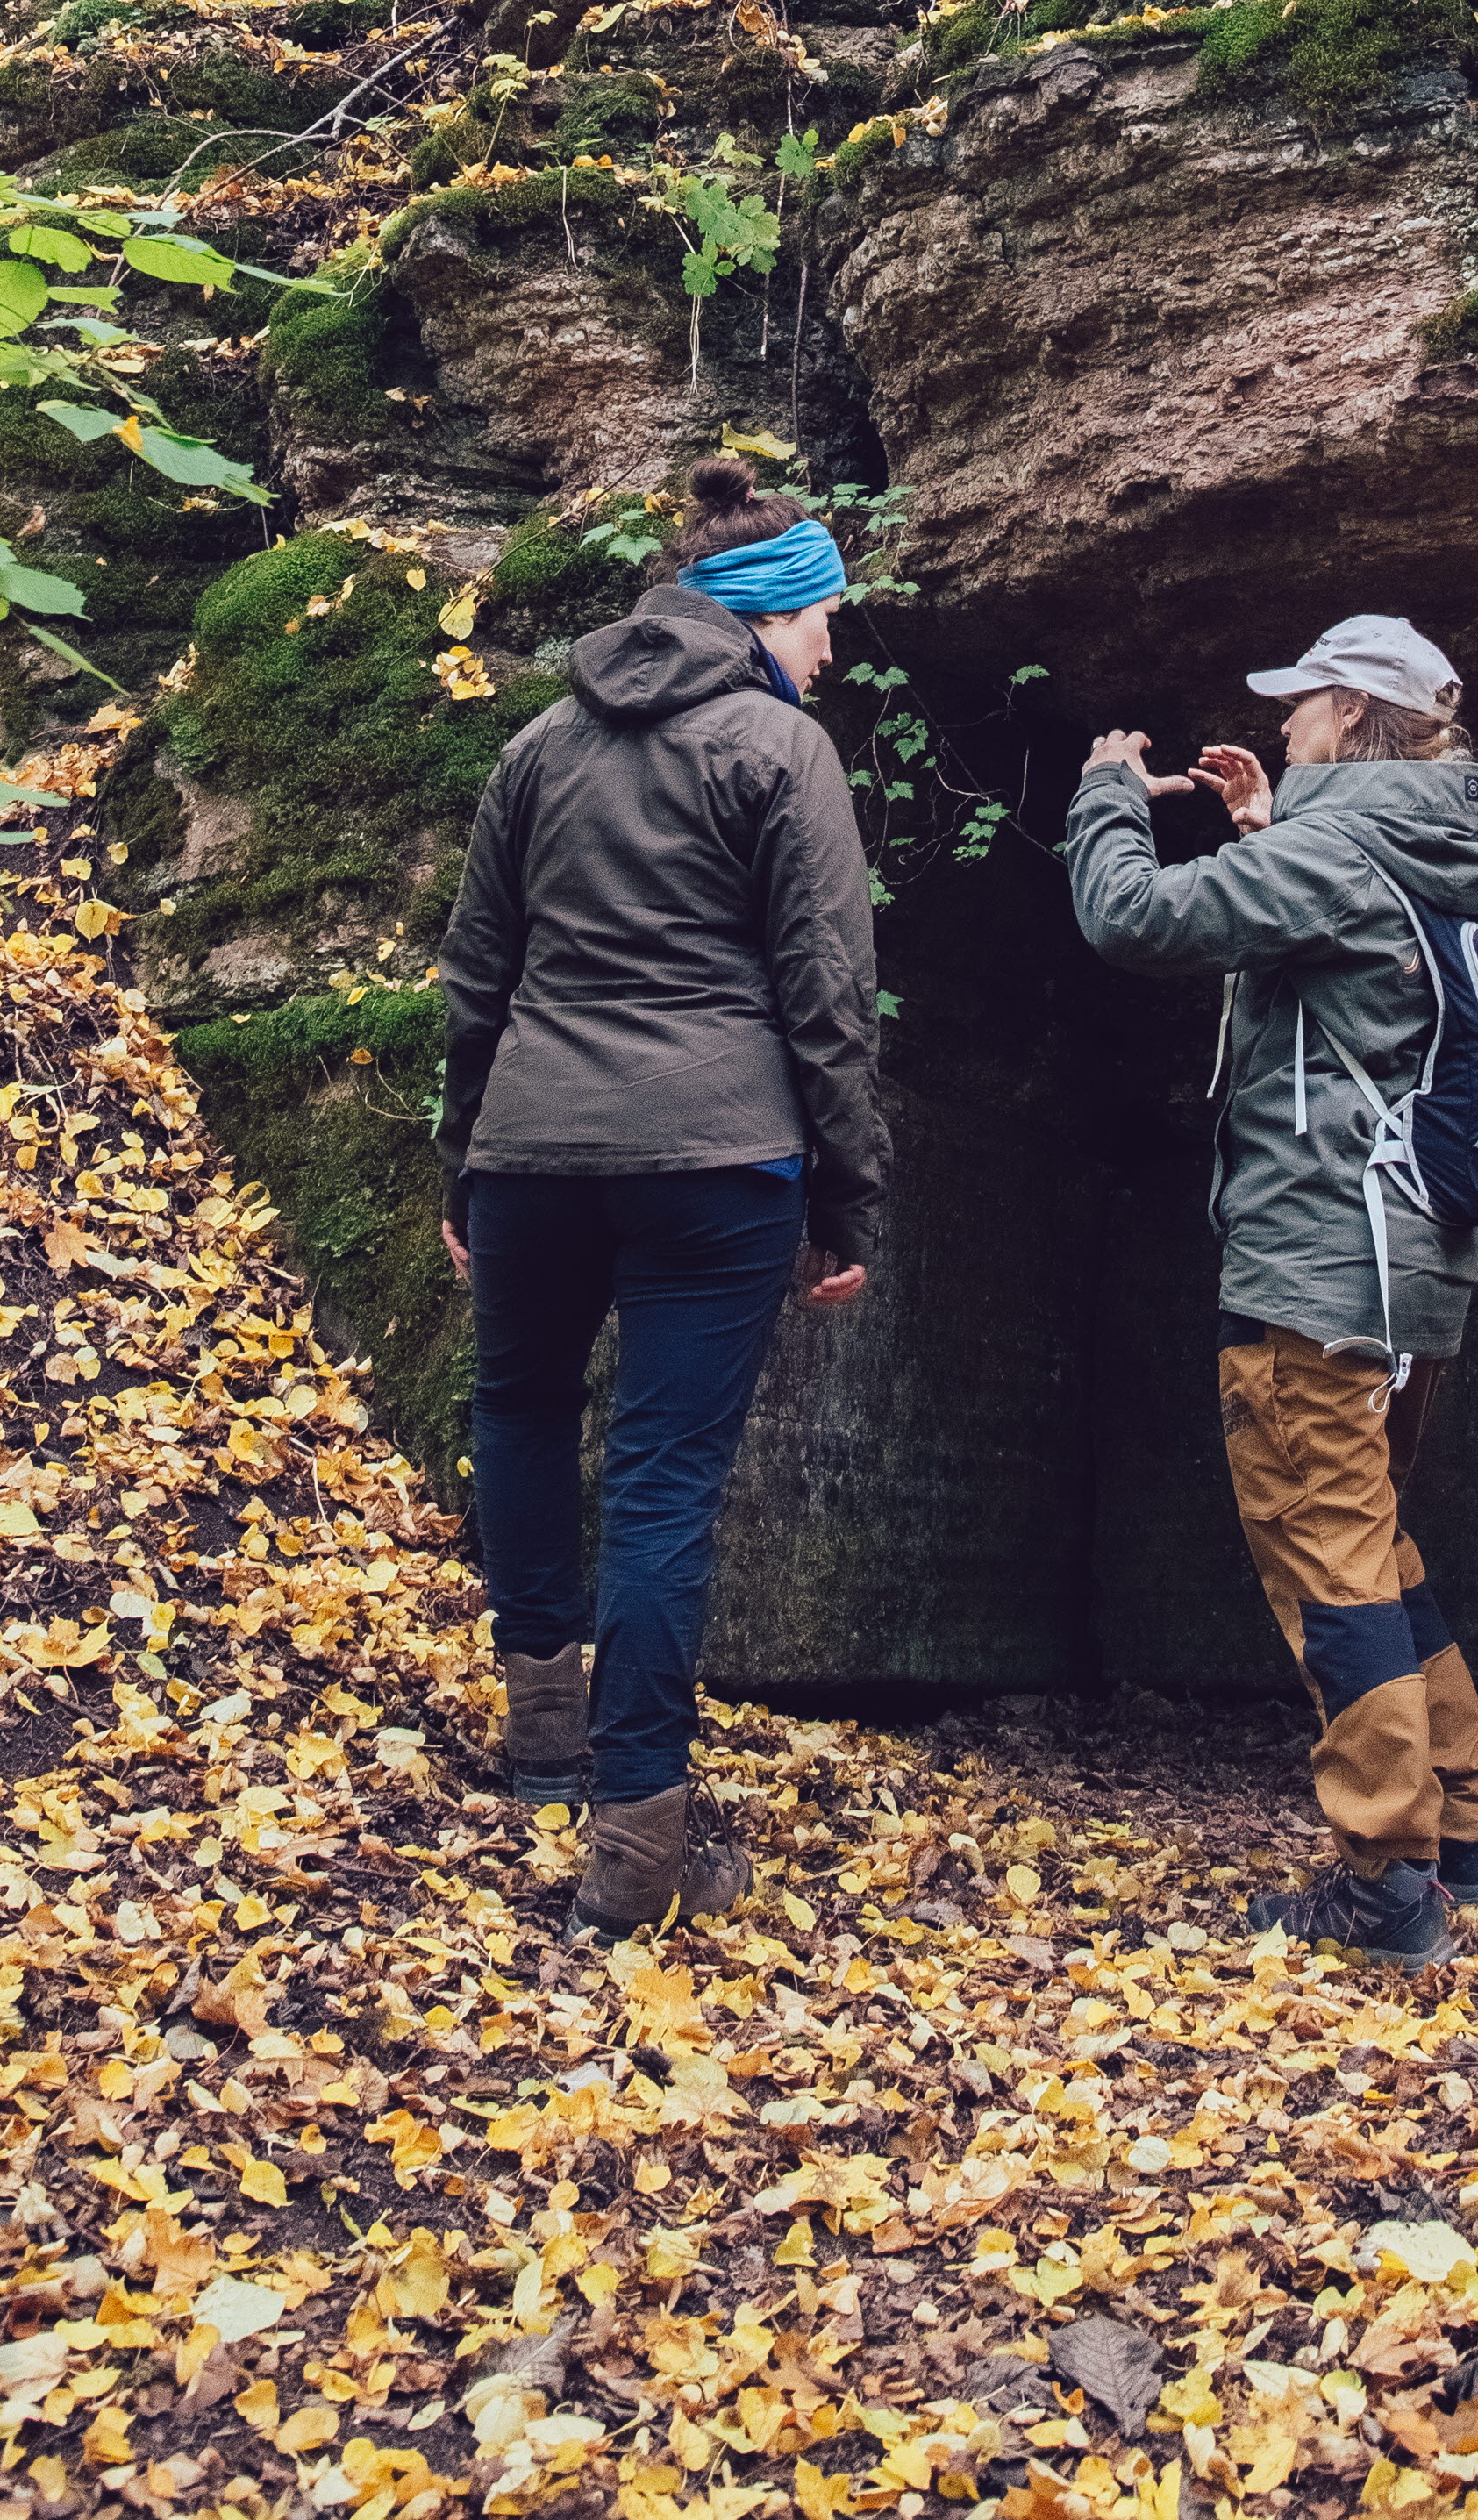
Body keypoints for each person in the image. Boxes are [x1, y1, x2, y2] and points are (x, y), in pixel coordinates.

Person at [436, 458, 885, 1938]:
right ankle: (634, 1848)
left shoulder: (540, 746)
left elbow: (477, 978)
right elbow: (826, 988)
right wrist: (846, 1197)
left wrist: (465, 1156)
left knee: (517, 1411)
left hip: (531, 1154)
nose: (835, 645)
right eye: (825, 617)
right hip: (714, 1156)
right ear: (770, 615)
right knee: (662, 1474)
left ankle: (544, 1737)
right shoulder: (778, 743)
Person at [1067, 614, 1478, 1967]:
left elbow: (1131, 918)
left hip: (1318, 1268)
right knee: (1377, 1555)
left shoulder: (1335, 851)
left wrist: (1104, 795)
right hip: (1414, 1264)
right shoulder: (1439, 850)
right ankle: (1470, 1835)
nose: (1278, 728)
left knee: (1331, 1573)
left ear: (1352, 717)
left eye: (1299, 708)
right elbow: (1361, 990)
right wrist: (1270, 832)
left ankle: (1387, 1881)